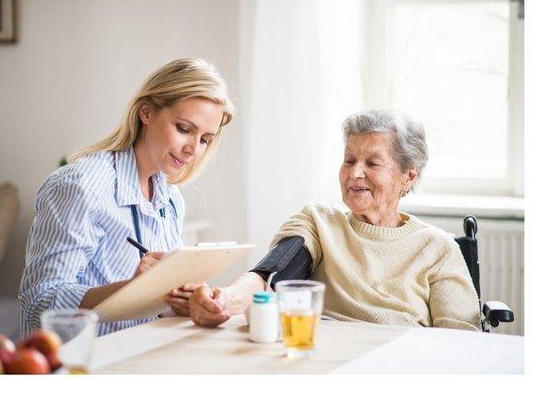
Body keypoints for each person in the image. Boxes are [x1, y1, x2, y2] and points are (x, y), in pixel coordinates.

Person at [188, 110, 480, 331]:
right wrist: (225, 300)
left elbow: (459, 340)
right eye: (349, 160)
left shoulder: (437, 248)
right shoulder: (318, 221)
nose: (355, 174)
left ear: (409, 175)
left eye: (372, 163)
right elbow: (269, 274)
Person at [19, 58, 233, 336]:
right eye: (183, 129)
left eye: (204, 139)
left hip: (137, 353)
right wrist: (132, 289)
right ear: (146, 112)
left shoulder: (169, 198)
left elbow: (155, 306)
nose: (193, 149)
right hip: (80, 363)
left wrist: (184, 300)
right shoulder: (80, 186)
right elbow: (38, 304)